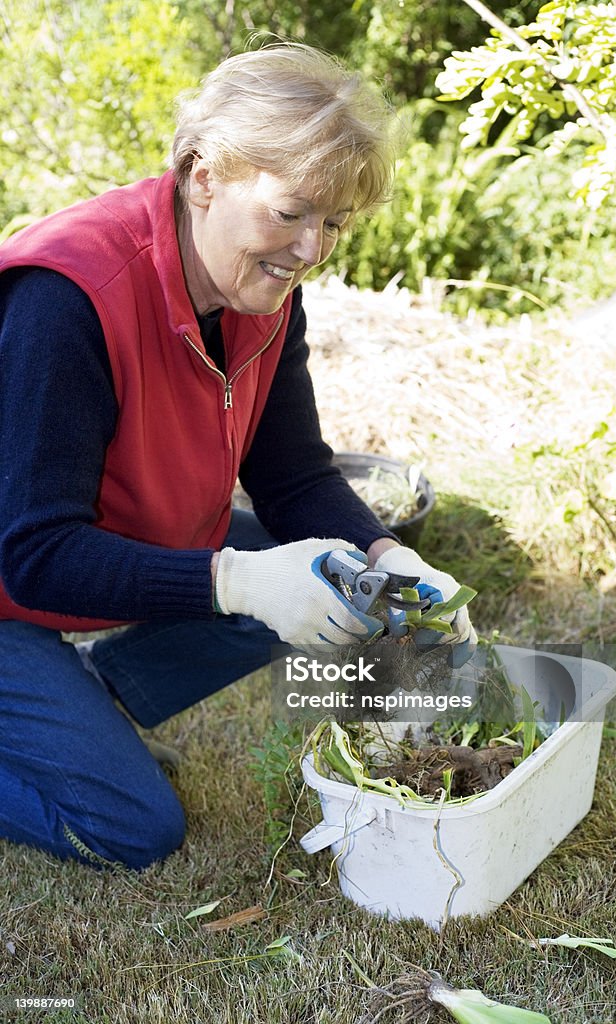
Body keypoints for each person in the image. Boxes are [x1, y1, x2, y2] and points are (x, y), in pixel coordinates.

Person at [0, 43, 476, 869]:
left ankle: (86, 705)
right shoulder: (66, 301)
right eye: (291, 212)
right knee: (136, 830)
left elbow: (293, 475)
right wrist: (237, 581)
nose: (311, 248)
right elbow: (34, 558)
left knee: (336, 579)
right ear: (201, 175)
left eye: (335, 223)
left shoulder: (262, 292)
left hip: (98, 549)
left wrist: (392, 559)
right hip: (14, 581)